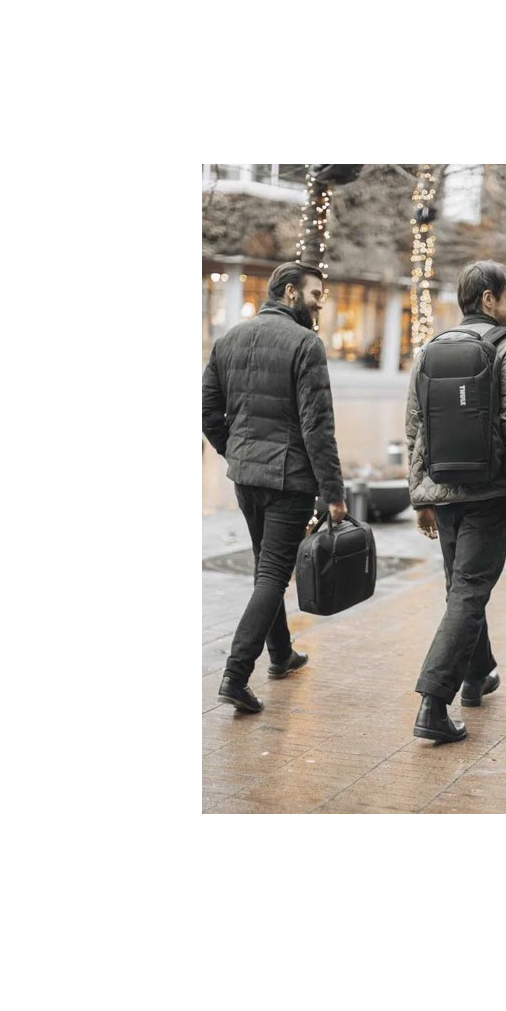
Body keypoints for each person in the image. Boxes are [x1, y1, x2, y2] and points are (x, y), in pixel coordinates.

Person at [202, 261, 347, 713]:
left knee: (267, 566)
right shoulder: (305, 344)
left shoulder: (229, 339)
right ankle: (236, 675)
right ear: (289, 293)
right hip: (289, 479)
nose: (319, 304)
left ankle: (281, 654)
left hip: (247, 478)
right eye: (315, 294)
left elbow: (207, 411)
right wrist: (334, 492)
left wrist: (237, 452)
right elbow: (317, 425)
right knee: (272, 574)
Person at [406, 260, 506, 744]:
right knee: (469, 592)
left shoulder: (432, 348)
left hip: (442, 489)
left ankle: (477, 673)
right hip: (488, 492)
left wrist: (420, 494)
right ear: (488, 299)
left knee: (460, 589)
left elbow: (415, 425)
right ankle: (433, 703)